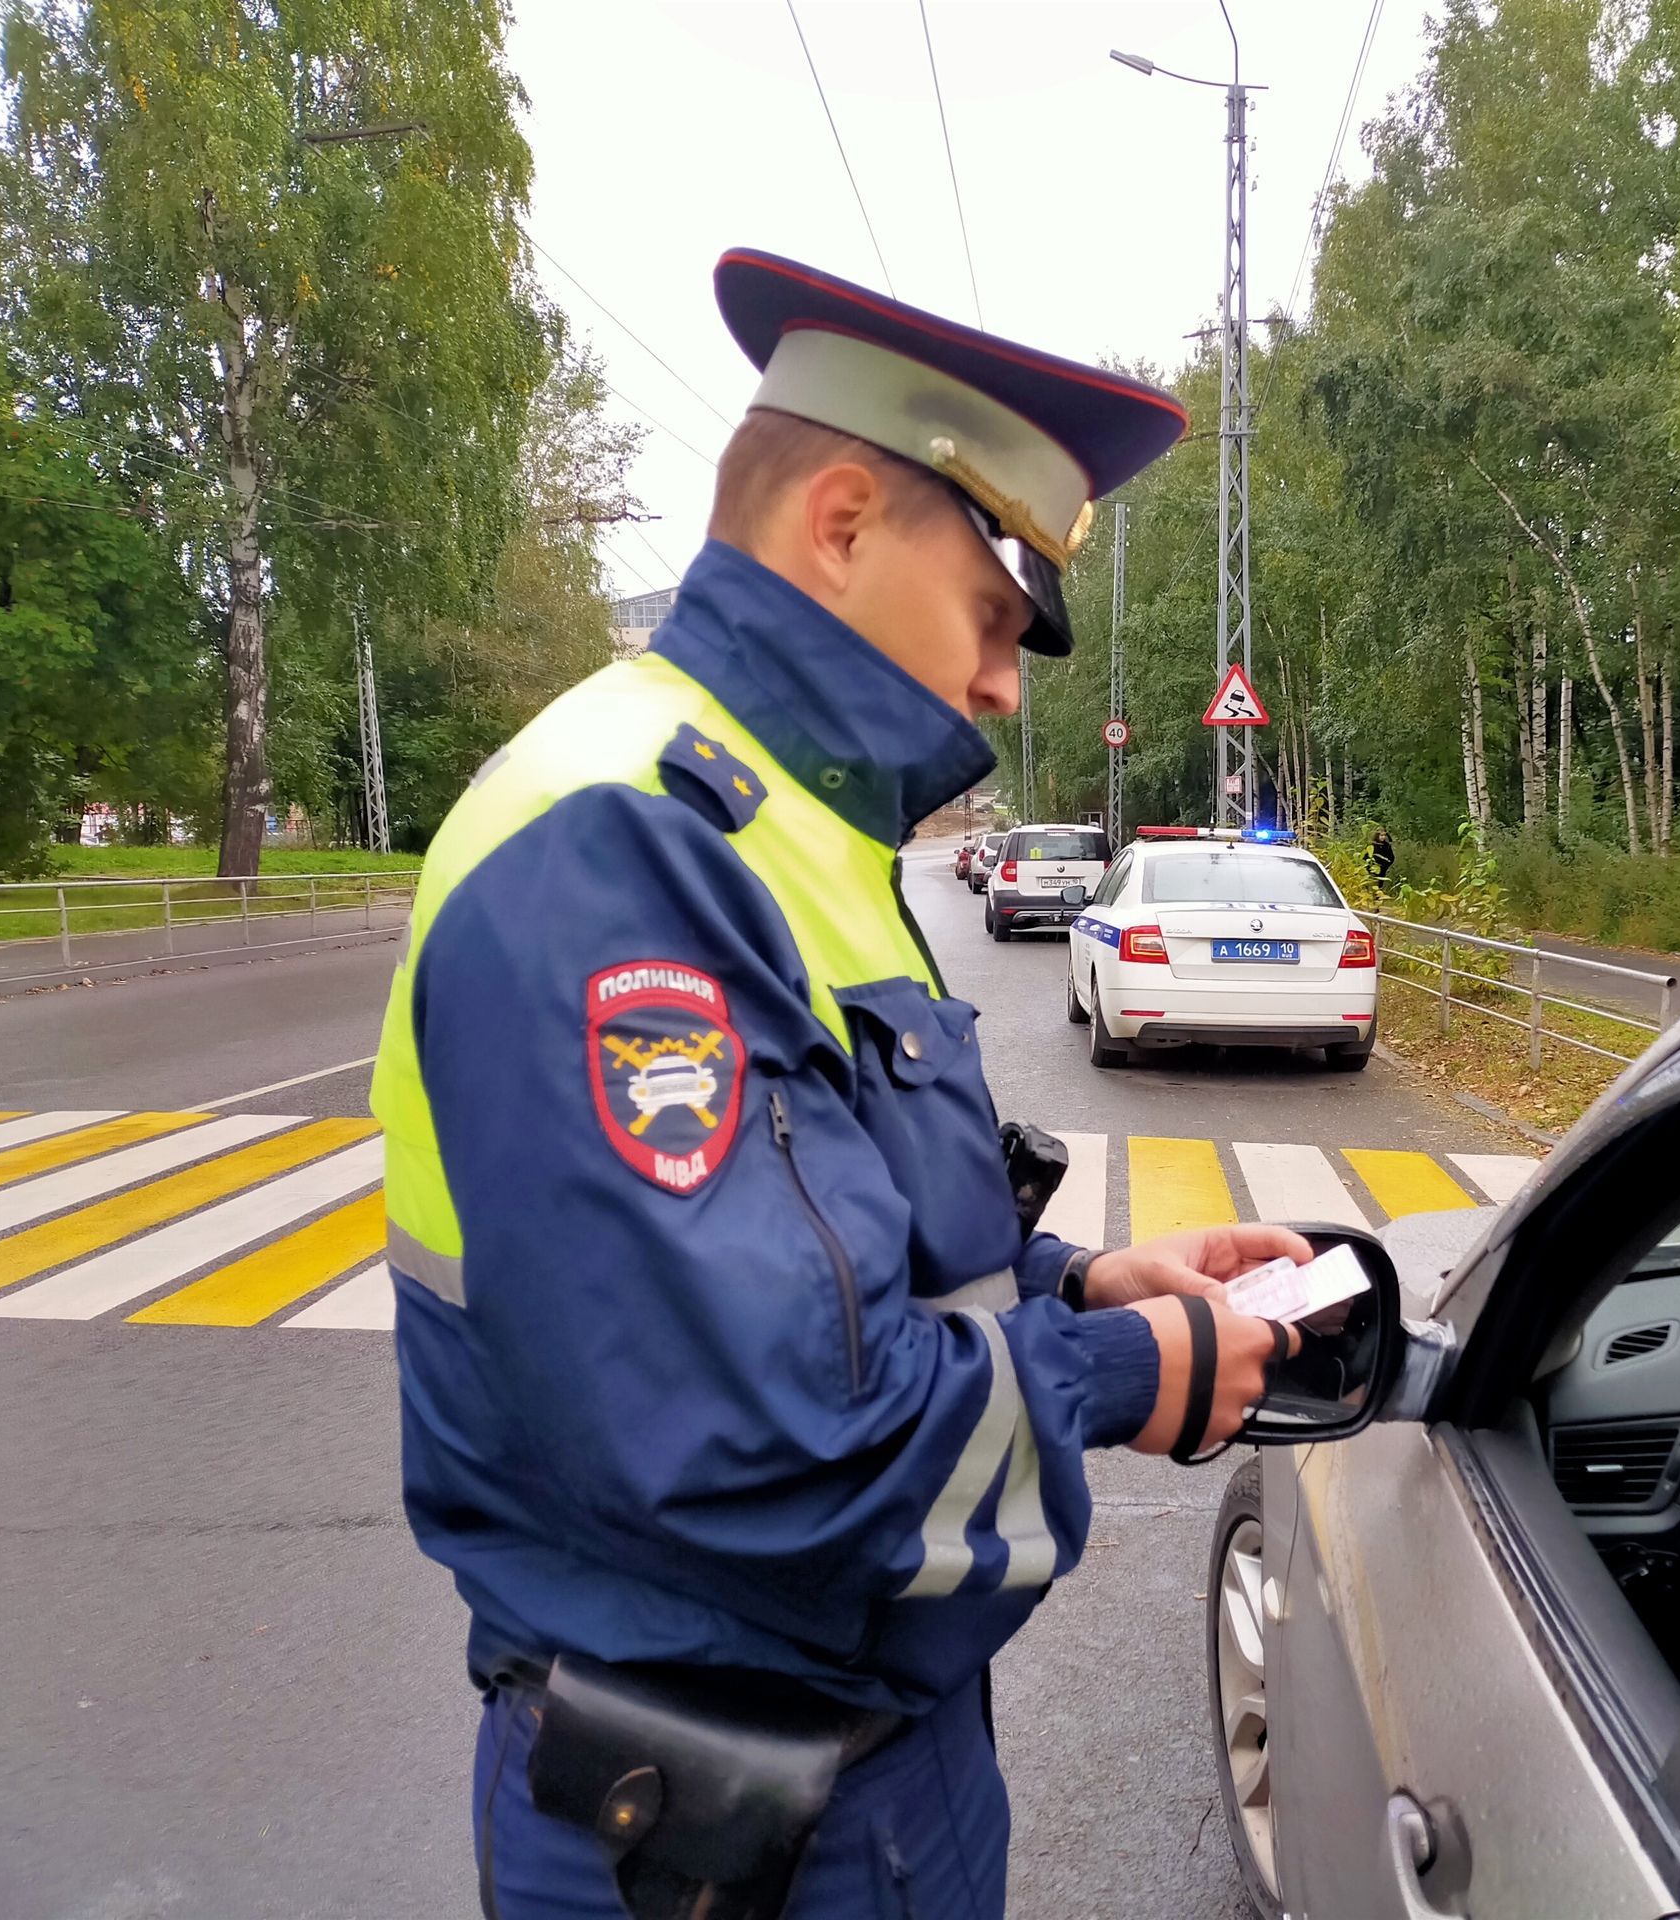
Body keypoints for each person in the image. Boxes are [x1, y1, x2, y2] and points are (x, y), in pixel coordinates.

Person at [369, 248, 1306, 1920]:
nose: (1010, 681)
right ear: (846, 521)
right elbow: (769, 1440)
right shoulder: (624, 848)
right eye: (998, 615)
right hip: (714, 1830)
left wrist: (1077, 1278)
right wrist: (1128, 1368)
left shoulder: (793, 830)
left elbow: (839, 1257)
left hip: (861, 1776)